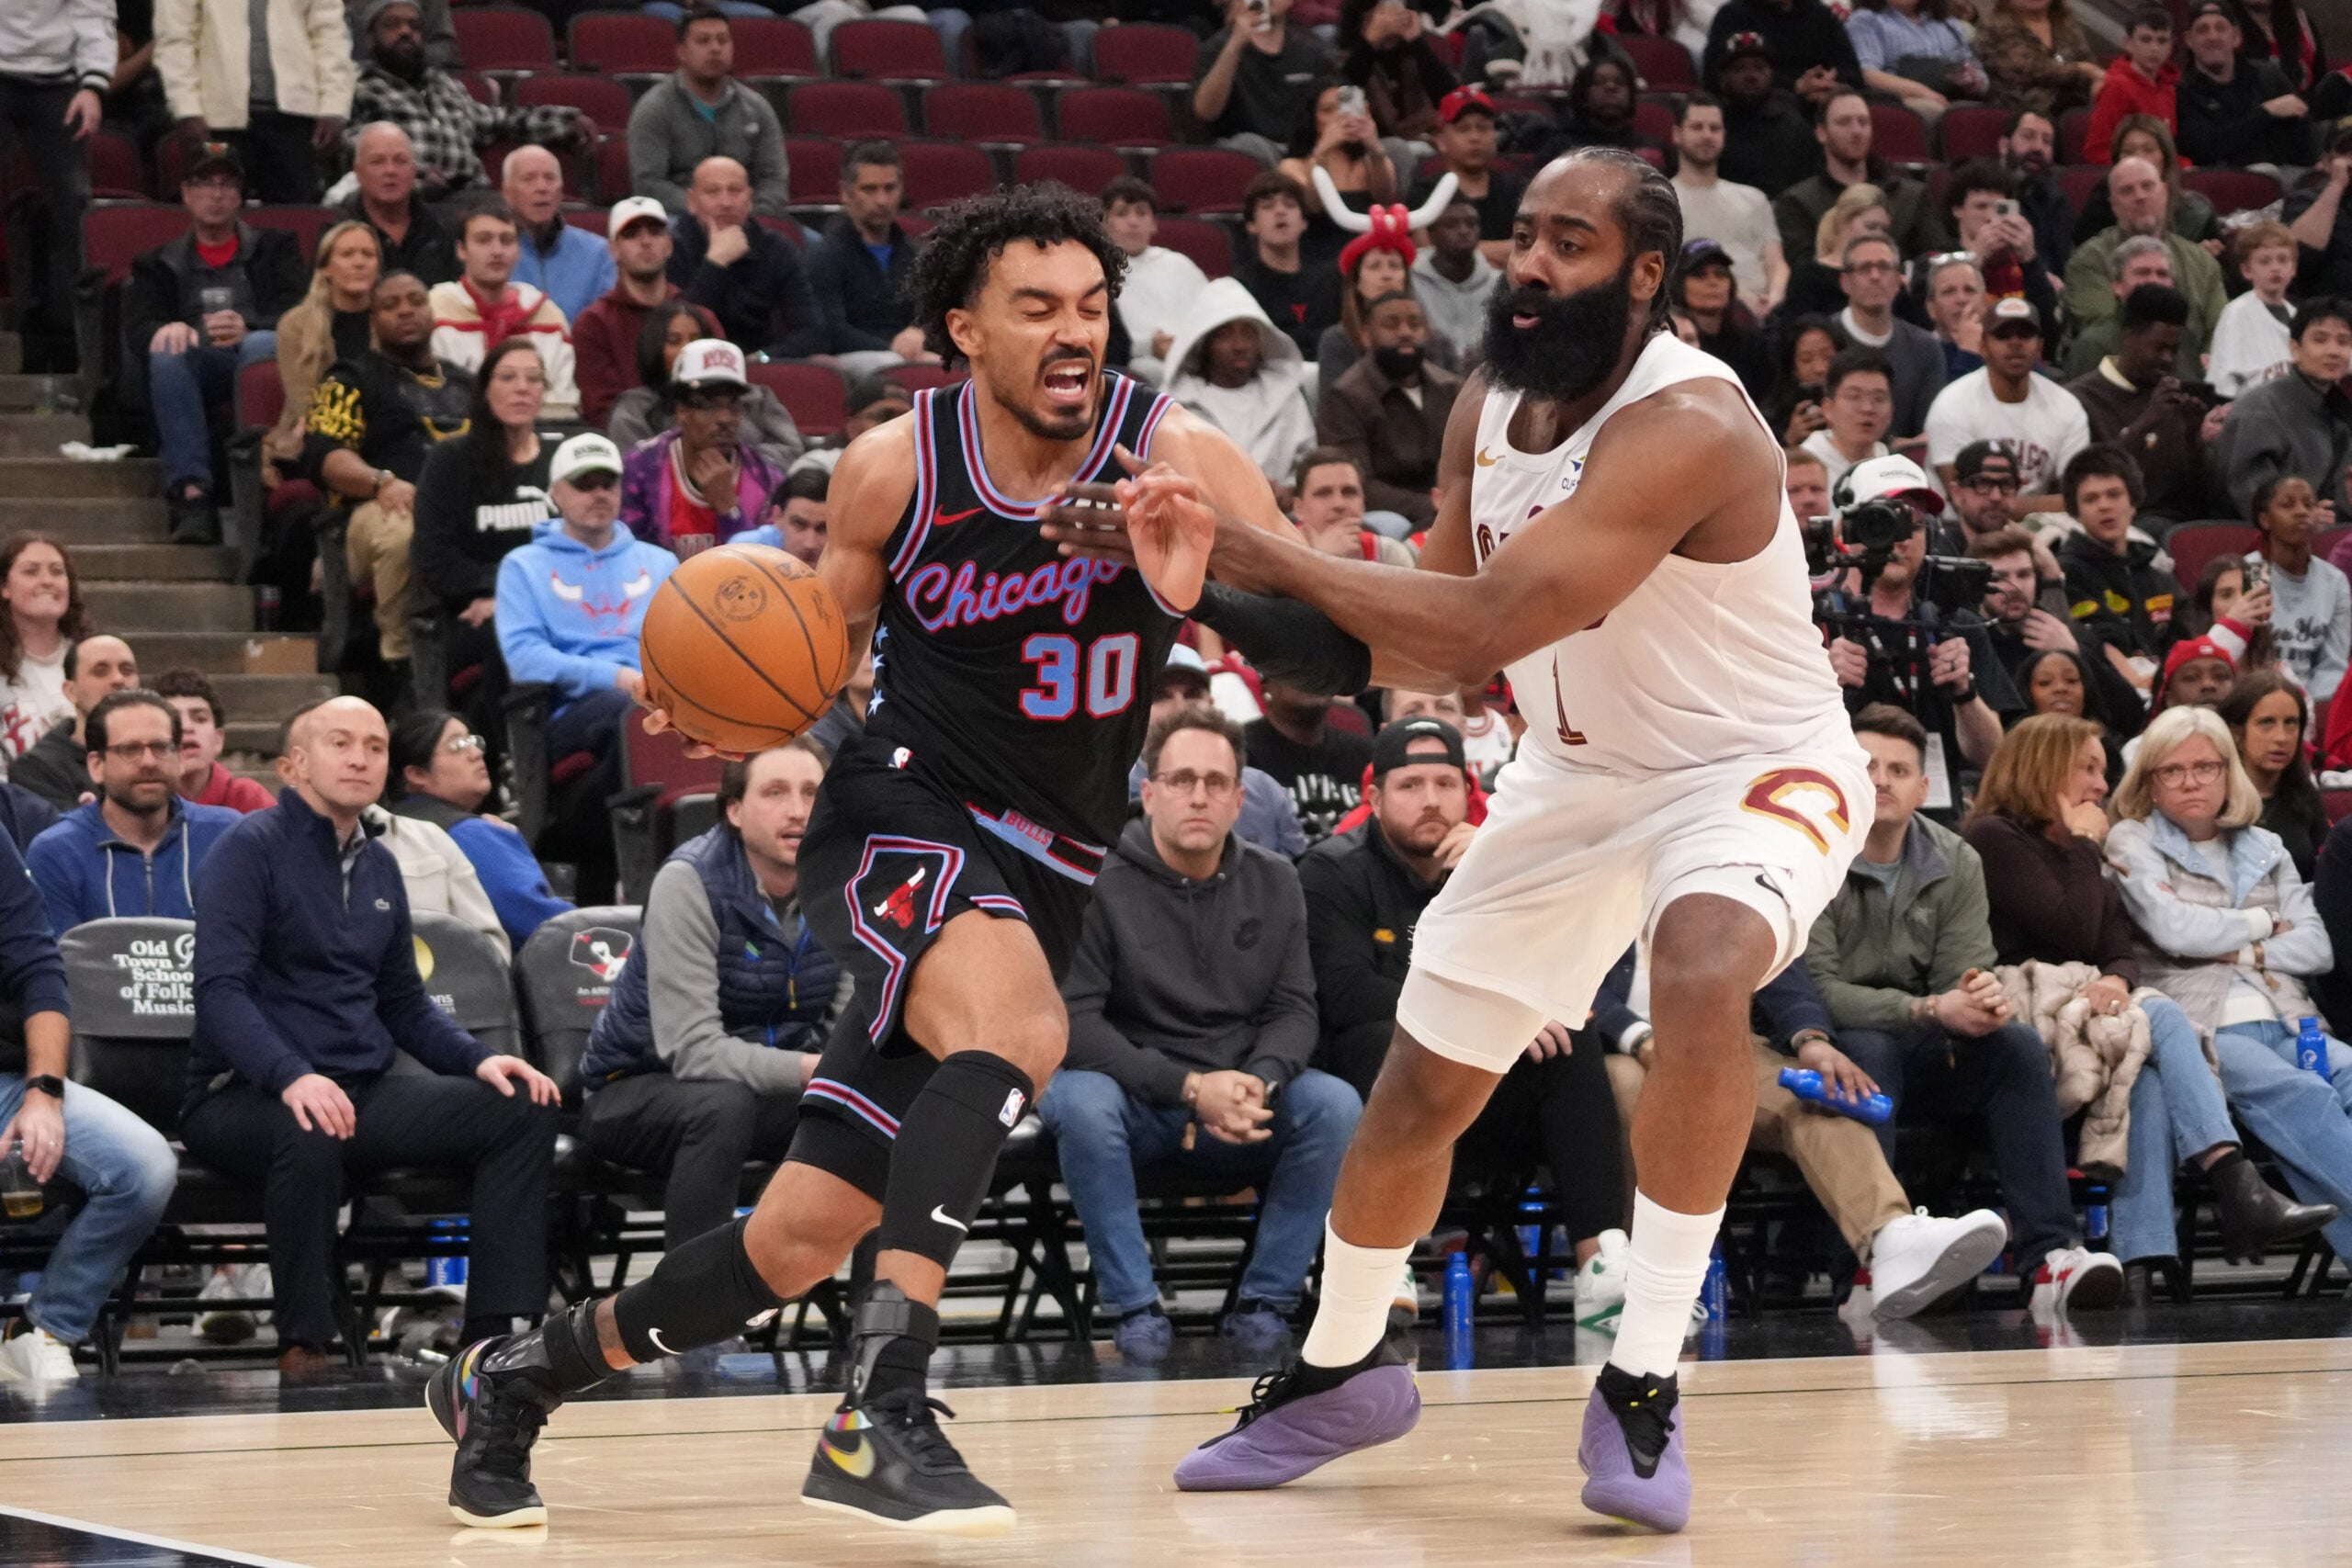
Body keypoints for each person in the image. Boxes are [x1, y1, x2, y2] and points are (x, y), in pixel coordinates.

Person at [435, 183, 1304, 1535]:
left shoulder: (1172, 451)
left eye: (1093, 306)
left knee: (791, 1242)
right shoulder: (898, 464)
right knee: (1017, 1030)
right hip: (902, 806)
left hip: (1056, 859)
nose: (1076, 332)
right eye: (1037, 308)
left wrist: (1198, 584)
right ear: (965, 329)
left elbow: (1316, 646)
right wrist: (704, 696)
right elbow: (815, 658)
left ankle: (517, 1376)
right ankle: (876, 1409)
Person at [1111, 145, 1880, 1535]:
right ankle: (1340, 1366)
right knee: (1419, 1090)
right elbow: (1417, 648)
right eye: (1524, 234)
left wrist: (1259, 540)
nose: (1529, 261)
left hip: (1749, 765)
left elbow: (1477, 627)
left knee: (1703, 965)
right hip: (1570, 778)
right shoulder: (1488, 399)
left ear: (1645, 275)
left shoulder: (1691, 424)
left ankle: (1642, 1371)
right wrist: (1194, 587)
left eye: (1570, 242)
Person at [181, 695, 560, 1377]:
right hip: (240, 1093)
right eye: (339, 742)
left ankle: (491, 1334)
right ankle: (307, 1340)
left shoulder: (380, 863)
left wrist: (480, 1059)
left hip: (360, 1091)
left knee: (522, 1108)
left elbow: (403, 1003)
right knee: (311, 1126)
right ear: (294, 763)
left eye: (375, 745)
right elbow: (219, 992)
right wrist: (291, 1074)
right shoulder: (248, 848)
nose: (360, 757)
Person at [1962, 713, 2331, 1298]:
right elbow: (2068, 924)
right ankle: (2233, 1181)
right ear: (2044, 767)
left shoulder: (2087, 845)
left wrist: (2116, 977)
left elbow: (2116, 947)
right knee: (2161, 1015)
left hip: (2089, 1016)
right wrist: (2087, 848)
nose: (2101, 787)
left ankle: (2144, 1259)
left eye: (2104, 773)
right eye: (2087, 769)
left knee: (2149, 1080)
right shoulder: (1996, 838)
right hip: (2019, 1017)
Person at [1045, 703, 1346, 1364]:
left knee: (1333, 1105)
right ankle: (1134, 1309)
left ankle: (1265, 1302)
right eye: (1181, 780)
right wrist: (1187, 1089)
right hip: (1139, 1097)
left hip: (1243, 1098)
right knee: (1077, 1100)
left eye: (1215, 782)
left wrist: (1256, 1084)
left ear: (1241, 799)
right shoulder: (1093, 878)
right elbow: (1076, 1024)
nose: (1199, 795)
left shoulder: (1277, 880)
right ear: (1148, 793)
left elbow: (1296, 1008)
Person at [1303, 716, 1629, 1310]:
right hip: (1387, 1093)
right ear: (1373, 799)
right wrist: (1492, 1010)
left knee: (1573, 1035)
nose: (1431, 800)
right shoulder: (1332, 870)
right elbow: (1345, 990)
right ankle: (1381, 1256)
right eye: (1410, 785)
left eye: (1445, 783)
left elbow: (1558, 971)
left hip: (1490, 1100)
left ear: (1469, 789)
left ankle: (1603, 1265)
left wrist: (1487, 880)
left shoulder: (1498, 865)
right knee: (1381, 1035)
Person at [1807, 705, 2120, 1306]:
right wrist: (1931, 1010)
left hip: (1930, 1053)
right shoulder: (1813, 855)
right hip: (1831, 1050)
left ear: (1925, 788)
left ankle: (2050, 1258)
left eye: (1899, 769)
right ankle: (1867, 1267)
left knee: (2016, 1045)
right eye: (1868, 765)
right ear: (1839, 773)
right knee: (1868, 1047)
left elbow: (1964, 973)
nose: (1881, 780)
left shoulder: (1957, 859)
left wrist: (1982, 997)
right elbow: (1822, 990)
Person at [2107, 704, 2352, 1279]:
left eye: (2206, 767)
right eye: (2173, 770)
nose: (2191, 781)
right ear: (2148, 780)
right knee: (2301, 1097)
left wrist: (2232, 943)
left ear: (2228, 773)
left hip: (2293, 1017)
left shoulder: (2264, 844)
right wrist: (2265, 925)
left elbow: (2317, 948)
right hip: (2207, 1025)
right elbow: (2173, 930)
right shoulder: (2132, 839)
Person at [577, 739, 835, 1250]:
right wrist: (813, 1069)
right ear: (735, 810)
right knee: (722, 1105)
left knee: (872, 1105)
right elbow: (693, 1051)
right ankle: (695, 1313)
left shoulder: (840, 883)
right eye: (776, 792)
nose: (798, 811)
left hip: (759, 1090)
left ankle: (880, 1308)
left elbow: (847, 1025)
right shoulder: (689, 881)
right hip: (637, 1086)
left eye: (812, 793)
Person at [0, 810, 177, 1384]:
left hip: (7, 1080)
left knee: (143, 1166)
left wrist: (44, 1093)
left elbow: (39, 969)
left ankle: (45, 1328)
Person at [496, 434, 678, 831]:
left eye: (607, 483)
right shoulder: (523, 565)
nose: (598, 494)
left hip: (652, 697)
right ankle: (635, 848)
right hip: (567, 714)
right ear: (556, 493)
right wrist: (615, 677)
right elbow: (524, 659)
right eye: (584, 484)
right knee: (626, 710)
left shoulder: (660, 563)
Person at [129, 141, 305, 543]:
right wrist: (165, 328)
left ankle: (265, 478)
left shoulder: (276, 248)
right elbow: (138, 329)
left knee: (262, 343)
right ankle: (193, 496)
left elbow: (301, 314)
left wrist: (250, 325)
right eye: (204, 183)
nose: (217, 194)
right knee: (167, 352)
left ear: (241, 196)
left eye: (227, 184)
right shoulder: (157, 262)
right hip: (201, 365)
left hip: (258, 357)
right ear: (187, 194)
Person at [1821, 456, 2012, 815]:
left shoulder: (1956, 623)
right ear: (1846, 531)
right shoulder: (1816, 621)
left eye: (1916, 525)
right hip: (1837, 814)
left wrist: (1965, 694)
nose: (1902, 539)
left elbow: (1993, 759)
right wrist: (1821, 685)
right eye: (1885, 521)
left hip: (1936, 815)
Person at [304, 271, 476, 668]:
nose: (405, 311)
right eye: (390, 305)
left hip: (460, 510)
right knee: (404, 530)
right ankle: (402, 660)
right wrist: (381, 482)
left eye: (415, 301)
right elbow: (326, 456)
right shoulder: (349, 379)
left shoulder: (469, 384)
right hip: (373, 512)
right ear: (373, 322)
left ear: (431, 313)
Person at [410, 336, 558, 706]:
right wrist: (504, 594)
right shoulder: (450, 460)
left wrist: (513, 599)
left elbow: (581, 550)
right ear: (485, 390)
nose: (522, 387)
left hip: (554, 605)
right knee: (506, 638)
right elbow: (434, 558)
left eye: (533, 378)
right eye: (508, 377)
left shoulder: (562, 460)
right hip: (469, 615)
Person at [25, 688, 243, 933]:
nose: (149, 762)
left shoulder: (227, 837)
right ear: (97, 766)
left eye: (161, 747)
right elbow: (59, 962)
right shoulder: (58, 851)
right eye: (130, 750)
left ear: (179, 758)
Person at [347, 0, 586, 199]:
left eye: (414, 26)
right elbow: (349, 144)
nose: (406, 32)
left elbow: (502, 120)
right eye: (392, 25)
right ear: (371, 39)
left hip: (470, 197)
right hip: (405, 198)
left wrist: (565, 121)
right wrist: (413, 174)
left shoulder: (447, 86)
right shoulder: (361, 88)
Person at [388, 709, 571, 948]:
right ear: (417, 774)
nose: (476, 753)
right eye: (457, 746)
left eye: (473, 741)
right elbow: (548, 925)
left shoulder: (387, 829)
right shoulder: (470, 833)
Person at [153, 0, 351, 204]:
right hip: (218, 119)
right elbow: (175, 40)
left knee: (293, 217)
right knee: (218, 210)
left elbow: (330, 35)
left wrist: (333, 107)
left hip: (294, 117)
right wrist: (186, 109)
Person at [0, 2, 107, 374]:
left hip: (58, 80)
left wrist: (93, 84)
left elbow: (95, 15)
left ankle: (75, 350)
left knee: (74, 208)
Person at [618, 337, 792, 558]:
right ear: (682, 411)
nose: (725, 418)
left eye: (733, 405)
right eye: (709, 405)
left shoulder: (766, 478)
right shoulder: (640, 470)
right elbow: (630, 561)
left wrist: (730, 510)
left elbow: (767, 569)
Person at [2063, 284, 2213, 527]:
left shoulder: (2173, 397)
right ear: (2128, 337)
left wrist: (2194, 436)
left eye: (2173, 351)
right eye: (2159, 348)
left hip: (2182, 524)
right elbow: (2094, 483)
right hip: (2123, 526)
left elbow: (2199, 493)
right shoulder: (2080, 399)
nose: (2167, 359)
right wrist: (2148, 420)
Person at [2064, 159, 2226, 383]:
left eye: (2148, 186)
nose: (2140, 196)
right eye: (2127, 190)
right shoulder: (2089, 260)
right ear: (2113, 204)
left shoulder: (2202, 262)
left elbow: (2221, 329)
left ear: (2165, 193)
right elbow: (2106, 325)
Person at [626, 5, 789, 220]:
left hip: (748, 217)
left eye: (723, 40)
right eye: (703, 41)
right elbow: (648, 184)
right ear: (681, 52)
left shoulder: (757, 107)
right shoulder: (654, 108)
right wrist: (706, 210)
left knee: (808, 244)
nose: (715, 48)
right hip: (682, 218)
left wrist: (752, 212)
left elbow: (775, 178)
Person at [1923, 299, 2086, 512]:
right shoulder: (1952, 404)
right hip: (1962, 534)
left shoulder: (2067, 407)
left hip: (2042, 530)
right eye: (2003, 335)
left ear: (2039, 347)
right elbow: (1965, 500)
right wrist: (2045, 505)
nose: (2015, 343)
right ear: (1982, 346)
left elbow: (2078, 499)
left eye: (2025, 334)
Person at [1317, 293, 1461, 531]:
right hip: (1390, 518)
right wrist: (1433, 506)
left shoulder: (1452, 389)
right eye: (1391, 324)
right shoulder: (1346, 397)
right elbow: (1358, 483)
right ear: (1366, 335)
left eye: (1415, 324)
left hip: (1450, 506)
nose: (1405, 332)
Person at [427, 203, 580, 420]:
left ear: (518, 251)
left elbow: (561, 404)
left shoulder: (549, 318)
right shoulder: (434, 312)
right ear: (461, 250)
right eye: (484, 240)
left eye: (507, 241)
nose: (497, 251)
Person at [608, 299, 799, 470]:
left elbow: (791, 450)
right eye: (674, 341)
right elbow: (632, 467)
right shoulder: (633, 408)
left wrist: (738, 465)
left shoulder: (757, 397)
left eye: (695, 339)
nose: (687, 348)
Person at [1163, 278, 1319, 488]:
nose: (1239, 346)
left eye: (1248, 334)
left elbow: (1308, 465)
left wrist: (1289, 492)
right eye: (1224, 336)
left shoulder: (1285, 394)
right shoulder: (1174, 403)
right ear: (1204, 344)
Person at [667, 154, 823, 359]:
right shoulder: (672, 247)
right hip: (692, 362)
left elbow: (812, 331)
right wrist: (715, 263)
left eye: (735, 190)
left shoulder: (776, 248)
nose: (726, 202)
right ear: (692, 202)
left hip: (759, 362)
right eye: (713, 192)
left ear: (749, 199)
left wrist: (763, 357)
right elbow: (678, 327)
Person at [1772, 90, 1947, 273]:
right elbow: (1804, 271)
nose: (1856, 131)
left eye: (1863, 122)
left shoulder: (1912, 196)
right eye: (1844, 122)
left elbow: (1937, 257)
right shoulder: (1797, 202)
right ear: (1821, 133)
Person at [263, 220, 382, 484]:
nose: (359, 262)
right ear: (326, 268)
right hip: (318, 437)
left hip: (386, 433)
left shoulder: (390, 319)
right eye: (347, 254)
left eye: (368, 255)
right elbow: (305, 402)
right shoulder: (296, 325)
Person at [2057, 445, 2183, 696]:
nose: (2104, 506)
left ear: (2133, 503)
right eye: (2091, 499)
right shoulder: (2068, 572)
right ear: (2076, 512)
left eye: (2114, 495)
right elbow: (2094, 644)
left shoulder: (2155, 570)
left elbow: (2183, 636)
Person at [2213, 298, 2352, 521]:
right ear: (2294, 349)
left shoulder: (2340, 410)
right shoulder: (2260, 407)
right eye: (2320, 339)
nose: (2333, 351)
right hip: (2260, 538)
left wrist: (2338, 511)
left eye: (2343, 341)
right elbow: (2249, 491)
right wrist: (2303, 515)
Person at [806, 143, 930, 374]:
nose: (882, 200)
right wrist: (894, 350)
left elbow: (933, 311)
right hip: (851, 358)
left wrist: (919, 332)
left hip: (909, 354)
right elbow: (831, 331)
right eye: (870, 189)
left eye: (889, 188)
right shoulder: (825, 256)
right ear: (846, 192)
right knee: (893, 367)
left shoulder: (913, 252)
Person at [1669, 93, 1785, 316]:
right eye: (1697, 127)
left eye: (1715, 128)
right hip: (1697, 313)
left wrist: (1774, 299)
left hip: (1763, 314)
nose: (1707, 135)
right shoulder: (1664, 201)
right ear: (1677, 134)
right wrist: (1741, 299)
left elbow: (1776, 263)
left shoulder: (1754, 198)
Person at [573, 197, 679, 428]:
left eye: (655, 232)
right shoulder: (593, 324)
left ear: (669, 244)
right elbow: (603, 411)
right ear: (613, 249)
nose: (645, 241)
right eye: (631, 234)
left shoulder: (696, 316)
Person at [1191, 0, 1332, 170]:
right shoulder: (1217, 47)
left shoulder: (1311, 49)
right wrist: (1236, 44)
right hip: (1247, 151)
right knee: (1247, 145)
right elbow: (1205, 112)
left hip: (1302, 151)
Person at [2175, 0, 2311, 174]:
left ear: (2236, 36)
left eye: (2220, 28)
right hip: (2225, 185)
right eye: (2202, 30)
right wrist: (2266, 113)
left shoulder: (2268, 76)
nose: (2213, 37)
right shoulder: (2182, 91)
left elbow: (2303, 128)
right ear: (2189, 40)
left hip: (2287, 178)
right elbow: (2206, 148)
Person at [2245, 476, 2348, 705]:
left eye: (2309, 504)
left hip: (2315, 702)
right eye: (2287, 504)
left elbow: (2334, 664)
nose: (2302, 512)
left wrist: (2308, 705)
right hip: (2257, 698)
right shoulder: (2251, 572)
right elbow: (2246, 659)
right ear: (2265, 520)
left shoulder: (2334, 581)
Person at [12, 636, 141, 814]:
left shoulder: (156, 755)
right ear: (71, 691)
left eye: (127, 670)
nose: (119, 679)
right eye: (101, 671)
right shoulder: (36, 770)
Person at [1103, 175, 1210, 386]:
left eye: (1142, 213)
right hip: (1135, 369)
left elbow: (1209, 316)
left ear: (1154, 223)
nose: (1133, 221)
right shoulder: (1099, 271)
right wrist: (1148, 346)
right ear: (1106, 223)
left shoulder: (1179, 265)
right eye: (1122, 213)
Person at [1833, 234, 1943, 438]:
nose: (1875, 276)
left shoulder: (1925, 348)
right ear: (1845, 282)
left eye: (1884, 267)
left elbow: (1925, 432)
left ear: (1898, 279)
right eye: (1865, 268)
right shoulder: (1824, 341)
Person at [2221, 671, 2327, 881]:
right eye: (2267, 722)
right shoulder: (2214, 800)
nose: (2281, 737)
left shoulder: (2307, 799)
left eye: (2291, 723)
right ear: (2236, 732)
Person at [0, 535, 92, 772]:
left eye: (57, 572)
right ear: (4, 587)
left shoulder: (94, 659)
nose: (47, 581)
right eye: (31, 572)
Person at [1406, 87, 1520, 270]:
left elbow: (1525, 250)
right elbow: (1428, 254)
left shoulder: (1517, 188)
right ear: (1441, 141)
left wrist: (1462, 253)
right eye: (1463, 129)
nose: (1474, 137)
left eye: (1482, 128)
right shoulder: (1424, 192)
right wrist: (1497, 254)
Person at [1940, 158, 2058, 331]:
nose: (1990, 217)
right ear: (1957, 210)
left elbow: (2050, 330)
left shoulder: (2024, 266)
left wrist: (2030, 260)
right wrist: (1975, 259)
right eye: (1981, 206)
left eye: (1999, 209)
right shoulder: (1937, 261)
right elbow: (1938, 323)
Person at [1337, 0, 1454, 173]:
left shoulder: (1422, 46)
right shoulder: (1347, 56)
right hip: (1372, 144)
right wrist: (1370, 41)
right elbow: (1344, 94)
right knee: (1398, 149)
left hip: (1426, 137)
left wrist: (1416, 42)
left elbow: (1452, 99)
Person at [334, 119, 454, 288]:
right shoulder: (336, 232)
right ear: (358, 172)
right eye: (377, 161)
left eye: (400, 161)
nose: (390, 170)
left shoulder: (442, 228)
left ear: (413, 171)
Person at [502, 146, 611, 327]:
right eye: (528, 179)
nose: (542, 188)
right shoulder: (492, 252)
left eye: (549, 178)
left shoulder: (599, 252)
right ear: (507, 193)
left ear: (560, 192)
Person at [1710, 30, 1822, 200]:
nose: (1751, 76)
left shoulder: (1795, 129)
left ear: (1772, 74)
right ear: (1723, 78)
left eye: (1759, 68)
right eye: (1739, 68)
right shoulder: (1711, 128)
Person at [151, 667, 273, 813]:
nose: (187, 727)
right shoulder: (144, 798)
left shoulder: (248, 798)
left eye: (200, 719)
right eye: (174, 720)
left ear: (218, 740)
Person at [1702, 0, 1862, 109]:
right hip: (1758, 116)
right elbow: (1715, 78)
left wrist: (1829, 83)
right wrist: (1796, 87)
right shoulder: (1732, 16)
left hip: (1824, 109)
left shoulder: (1821, 15)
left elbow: (1852, 72)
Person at [1672, 241, 1772, 401]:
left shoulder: (1752, 344)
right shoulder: (1675, 343)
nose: (1713, 282)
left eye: (1720, 274)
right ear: (1678, 284)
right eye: (1699, 275)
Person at [2210, 221, 2299, 400]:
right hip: (2251, 409)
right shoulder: (2236, 312)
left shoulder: (2298, 316)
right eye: (2265, 261)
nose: (2275, 267)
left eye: (2282, 260)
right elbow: (2224, 379)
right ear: (2246, 270)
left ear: (2293, 268)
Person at [1779, 183, 1886, 325]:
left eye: (1884, 229)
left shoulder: (1887, 277)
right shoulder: (1808, 276)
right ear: (1843, 222)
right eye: (1871, 227)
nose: (1879, 236)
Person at [1411, 198, 1500, 368]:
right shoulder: (1410, 282)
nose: (1464, 231)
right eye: (1451, 225)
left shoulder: (1500, 283)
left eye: (1471, 223)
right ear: (1431, 233)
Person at [2084, 6, 2178, 165]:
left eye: (2162, 41)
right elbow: (2097, 151)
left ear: (2171, 46)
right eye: (2145, 39)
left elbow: (2167, 149)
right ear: (2128, 43)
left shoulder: (2169, 89)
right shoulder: (2116, 86)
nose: (2154, 48)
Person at [1973, 0, 2102, 116]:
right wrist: (2082, 69)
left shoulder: (2064, 21)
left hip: (2074, 106)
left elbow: (2087, 59)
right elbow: (2033, 70)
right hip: (2022, 115)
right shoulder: (1994, 28)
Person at [1801, 345, 1894, 494]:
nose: (1867, 408)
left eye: (1879, 398)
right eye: (1854, 397)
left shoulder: (1896, 468)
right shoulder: (1803, 464)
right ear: (1828, 408)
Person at [1998, 107, 2074, 282]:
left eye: (2047, 141)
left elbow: (2063, 263)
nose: (2038, 147)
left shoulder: (2056, 201)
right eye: (2028, 136)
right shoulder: (1981, 193)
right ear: (2004, 146)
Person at [2289, 130, 2352, 300]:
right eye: (2347, 152)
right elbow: (2299, 256)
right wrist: (2337, 185)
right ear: (2326, 162)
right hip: (2330, 309)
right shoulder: (2304, 200)